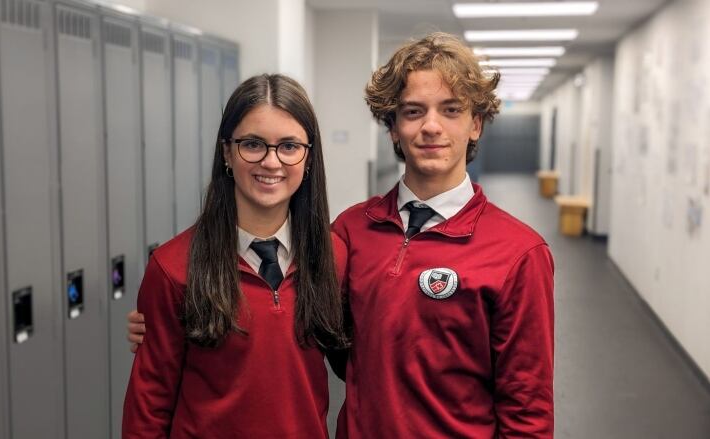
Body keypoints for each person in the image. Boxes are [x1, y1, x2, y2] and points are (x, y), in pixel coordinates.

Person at [129, 32, 554, 438]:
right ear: (392, 127)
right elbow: (325, 339)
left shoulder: (519, 252)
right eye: (412, 111)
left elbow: (528, 409)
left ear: (476, 124)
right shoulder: (348, 235)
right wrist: (168, 317)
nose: (431, 127)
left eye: (451, 109)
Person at [122, 73, 347, 439]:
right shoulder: (173, 267)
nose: (272, 162)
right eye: (253, 144)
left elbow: (364, 360)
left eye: (289, 146)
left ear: (308, 158)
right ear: (227, 152)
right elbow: (148, 408)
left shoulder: (333, 258)